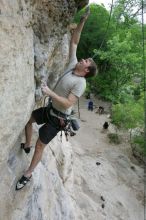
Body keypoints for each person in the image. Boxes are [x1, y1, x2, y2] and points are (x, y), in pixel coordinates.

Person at [16, 6, 97, 190]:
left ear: (86, 70)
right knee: (28, 121)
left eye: (86, 61)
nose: (83, 59)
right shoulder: (71, 65)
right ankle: (26, 144)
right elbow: (74, 42)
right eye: (84, 59)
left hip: (57, 119)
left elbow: (69, 102)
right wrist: (83, 20)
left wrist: (50, 93)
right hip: (50, 109)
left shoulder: (81, 83)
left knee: (40, 146)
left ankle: (28, 174)